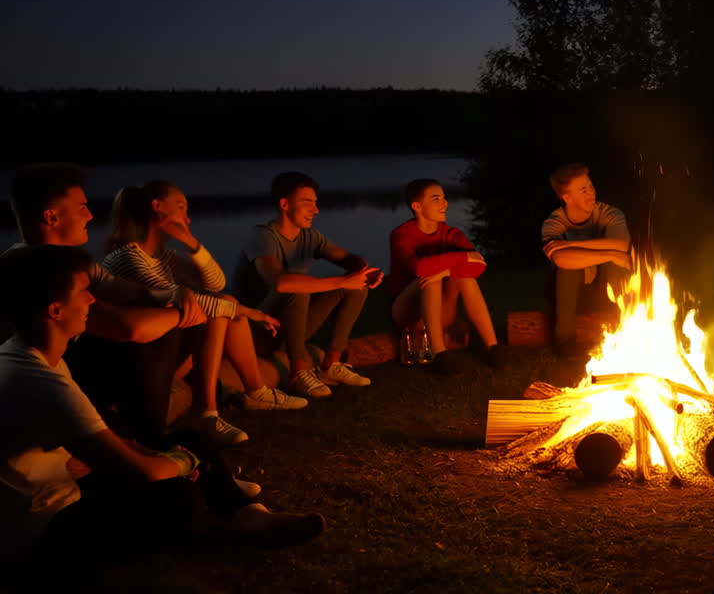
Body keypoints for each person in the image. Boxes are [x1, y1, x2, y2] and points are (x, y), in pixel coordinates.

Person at [0, 245, 323, 584]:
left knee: (189, 439)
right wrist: (184, 463)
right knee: (174, 496)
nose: (92, 300)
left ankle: (249, 517)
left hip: (61, 487)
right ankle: (212, 526)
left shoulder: (28, 353)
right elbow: (143, 471)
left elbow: (105, 446)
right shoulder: (40, 380)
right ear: (55, 311)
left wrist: (162, 456)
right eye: (84, 292)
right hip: (41, 528)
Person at [7, 163, 206, 447]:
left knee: (161, 317)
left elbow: (128, 289)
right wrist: (181, 313)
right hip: (46, 388)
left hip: (82, 372)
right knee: (158, 327)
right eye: (81, 207)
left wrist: (175, 292)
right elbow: (126, 328)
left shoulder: (74, 262)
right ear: (51, 217)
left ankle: (144, 426)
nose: (90, 215)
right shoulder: (33, 271)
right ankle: (149, 439)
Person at [102, 181, 306, 446]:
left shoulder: (164, 257)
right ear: (157, 207)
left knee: (224, 302)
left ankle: (256, 391)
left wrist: (192, 243)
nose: (187, 217)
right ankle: (206, 412)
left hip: (167, 353)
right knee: (220, 310)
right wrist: (249, 312)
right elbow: (179, 299)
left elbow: (215, 284)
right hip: (146, 363)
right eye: (181, 207)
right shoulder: (127, 257)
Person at [234, 172, 381, 398]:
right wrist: (342, 280)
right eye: (307, 202)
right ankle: (298, 372)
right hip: (257, 332)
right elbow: (279, 282)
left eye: (316, 202)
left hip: (291, 326)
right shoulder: (262, 237)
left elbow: (346, 258)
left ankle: (331, 365)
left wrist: (362, 269)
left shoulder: (310, 236)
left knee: (356, 286)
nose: (316, 210)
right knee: (297, 288)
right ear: (285, 204)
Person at [388, 178, 502, 366]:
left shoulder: (452, 234)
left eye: (444, 197)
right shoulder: (401, 235)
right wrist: (464, 256)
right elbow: (419, 268)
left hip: (442, 312)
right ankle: (440, 355)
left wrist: (444, 272)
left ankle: (493, 347)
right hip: (407, 312)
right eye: (436, 199)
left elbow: (479, 266)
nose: (445, 203)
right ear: (417, 206)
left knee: (466, 279)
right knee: (429, 279)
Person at [541, 163, 631, 357]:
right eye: (583, 190)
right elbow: (560, 259)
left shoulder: (609, 214)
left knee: (617, 263)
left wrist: (569, 245)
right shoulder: (554, 223)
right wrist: (610, 252)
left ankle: (628, 328)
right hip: (569, 296)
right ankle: (565, 341)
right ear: (567, 197)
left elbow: (622, 245)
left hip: (606, 291)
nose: (591, 193)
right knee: (568, 267)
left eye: (590, 187)